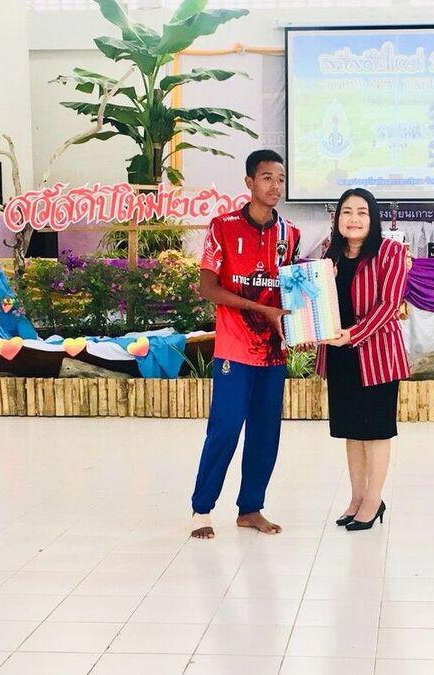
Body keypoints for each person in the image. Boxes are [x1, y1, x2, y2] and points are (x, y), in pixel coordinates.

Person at [190, 149, 300, 540]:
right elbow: (208, 288)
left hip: (273, 352)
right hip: (234, 350)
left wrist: (303, 326)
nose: (275, 186)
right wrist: (261, 309)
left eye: (281, 179)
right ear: (249, 182)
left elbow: (291, 291)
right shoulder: (222, 227)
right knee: (225, 429)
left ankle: (250, 509)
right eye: (267, 178)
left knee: (265, 433)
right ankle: (201, 508)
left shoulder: (290, 233)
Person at [317, 188, 410, 532]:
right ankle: (356, 498)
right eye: (346, 212)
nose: (353, 219)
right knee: (352, 432)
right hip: (340, 356)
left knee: (375, 432)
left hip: (377, 356)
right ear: (337, 218)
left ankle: (373, 500)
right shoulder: (329, 255)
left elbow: (389, 305)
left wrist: (353, 334)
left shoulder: (391, 252)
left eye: (361, 212)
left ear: (373, 218)